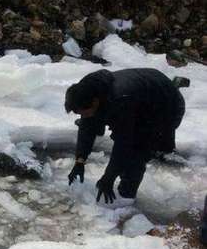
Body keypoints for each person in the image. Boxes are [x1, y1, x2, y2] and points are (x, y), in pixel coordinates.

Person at [65, 68, 185, 204]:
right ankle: (162, 148)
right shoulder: (86, 90)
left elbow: (123, 143)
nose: (83, 116)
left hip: (167, 106)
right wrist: (80, 161)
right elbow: (87, 127)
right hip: (144, 95)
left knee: (137, 152)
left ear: (95, 102)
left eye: (84, 112)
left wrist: (108, 178)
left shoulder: (121, 100)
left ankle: (125, 200)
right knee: (93, 121)